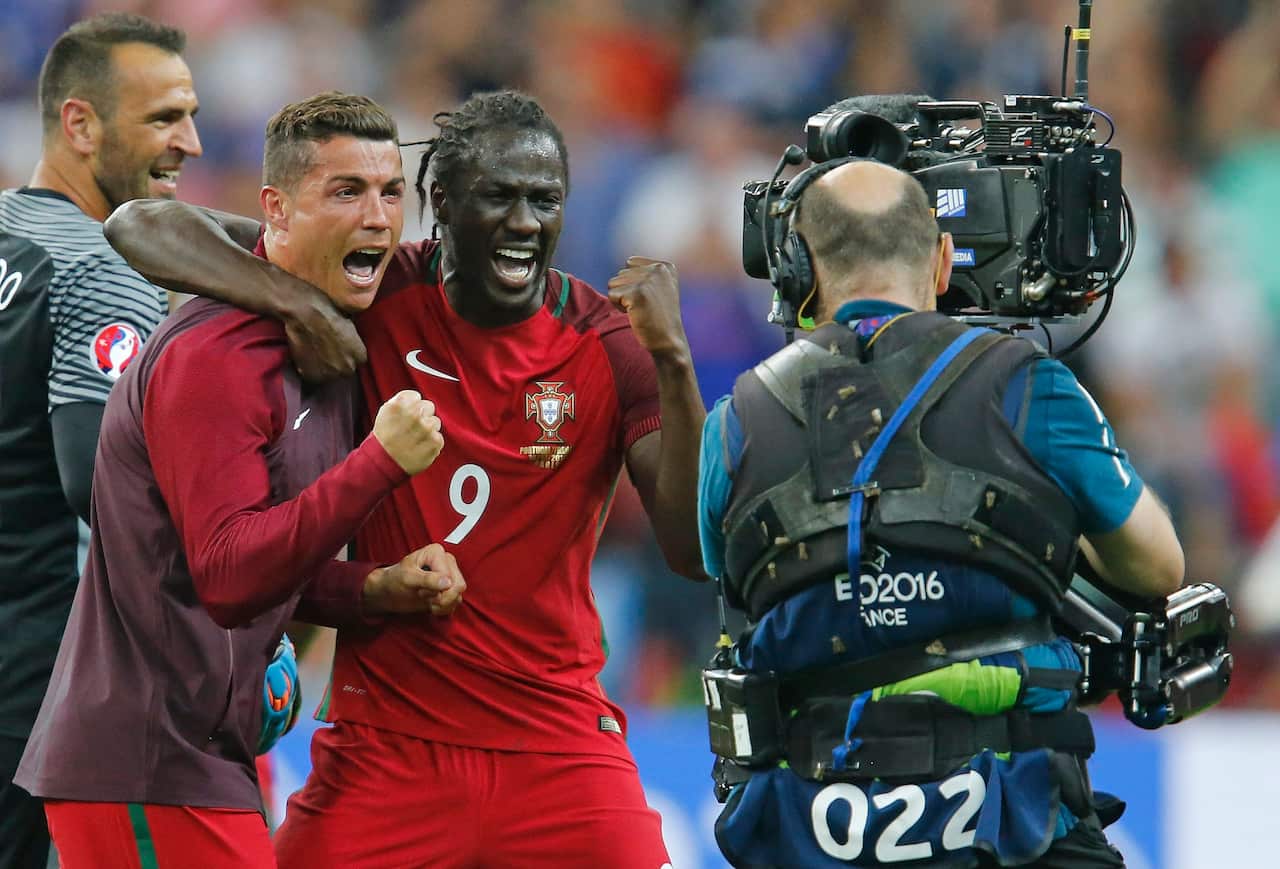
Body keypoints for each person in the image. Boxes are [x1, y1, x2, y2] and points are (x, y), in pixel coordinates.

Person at [104, 89, 706, 868]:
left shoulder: (605, 339)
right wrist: (295, 301)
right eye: (499, 197)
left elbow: (691, 547)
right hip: (387, 743)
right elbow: (139, 224)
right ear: (441, 203)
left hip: (556, 741)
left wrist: (675, 362)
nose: (525, 222)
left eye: (544, 200)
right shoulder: (373, 293)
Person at [696, 125, 1184, 864]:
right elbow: (1157, 567)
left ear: (800, 273)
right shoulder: (1029, 385)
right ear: (945, 260)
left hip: (810, 825)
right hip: (1018, 822)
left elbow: (726, 577)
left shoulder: (733, 421)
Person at [15, 92, 466, 869]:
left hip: (201, 754)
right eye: (345, 191)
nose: (377, 217)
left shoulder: (323, 343)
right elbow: (227, 573)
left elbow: (254, 557)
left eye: (391, 192)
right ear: (276, 212)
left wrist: (371, 588)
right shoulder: (217, 357)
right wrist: (379, 463)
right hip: (144, 760)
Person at [0, 14, 204, 868]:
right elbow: (102, 485)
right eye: (163, 118)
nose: (190, 142)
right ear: (80, 124)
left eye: (189, 116)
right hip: (39, 677)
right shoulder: (100, 268)